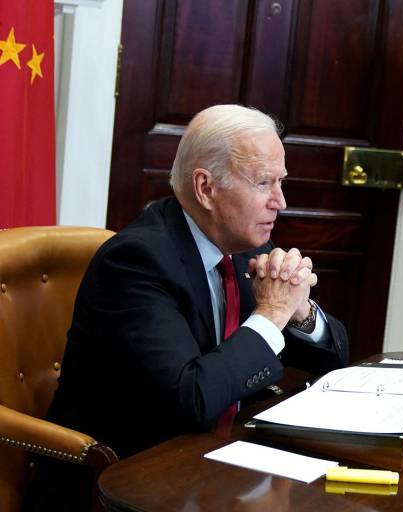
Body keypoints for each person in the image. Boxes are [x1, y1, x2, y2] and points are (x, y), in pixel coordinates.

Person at [26, 105, 349, 509]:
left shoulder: (243, 245)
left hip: (216, 464)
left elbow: (336, 358)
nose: (279, 201)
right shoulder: (136, 262)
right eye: (263, 182)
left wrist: (300, 314)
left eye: (280, 182)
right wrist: (271, 316)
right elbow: (192, 397)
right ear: (206, 188)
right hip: (125, 480)